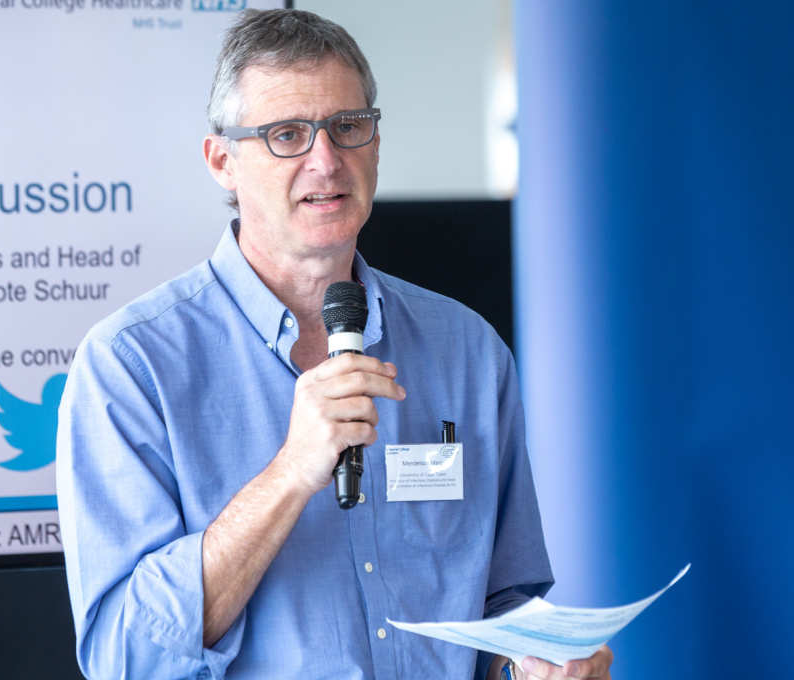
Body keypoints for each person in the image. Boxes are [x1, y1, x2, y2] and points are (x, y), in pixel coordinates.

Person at [56, 9, 613, 680]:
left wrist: (534, 663)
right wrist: (291, 472)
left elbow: (504, 604)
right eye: (287, 134)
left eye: (348, 126)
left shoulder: (468, 351)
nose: (325, 160)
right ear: (223, 161)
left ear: (375, 145)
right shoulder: (131, 366)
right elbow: (125, 656)